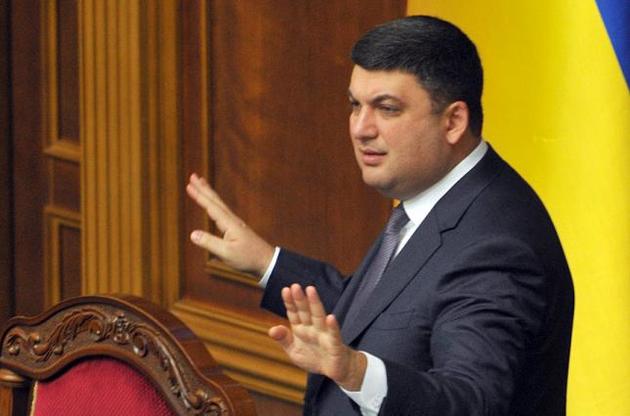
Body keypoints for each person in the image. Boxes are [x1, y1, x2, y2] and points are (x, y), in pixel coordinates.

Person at [186, 15, 574, 416]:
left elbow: (471, 402)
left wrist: (354, 371)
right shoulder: (439, 194)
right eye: (355, 105)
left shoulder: (496, 246)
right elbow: (384, 315)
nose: (361, 129)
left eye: (387, 109)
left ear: (453, 121)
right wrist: (267, 262)